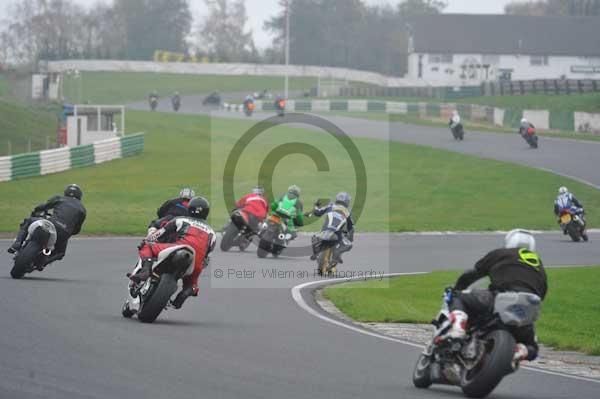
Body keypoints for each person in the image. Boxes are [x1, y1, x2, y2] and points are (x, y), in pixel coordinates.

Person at [443, 229, 547, 365]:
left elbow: (473, 274)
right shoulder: (539, 265)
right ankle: (521, 350)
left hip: (502, 298)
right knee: (533, 347)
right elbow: (542, 294)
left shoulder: (501, 253)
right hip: (526, 310)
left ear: (509, 242)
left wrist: (458, 287)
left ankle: (458, 327)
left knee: (458, 297)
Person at [129, 196, 216, 309]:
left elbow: (159, 234)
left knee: (147, 245)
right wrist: (198, 268)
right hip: (196, 261)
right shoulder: (212, 233)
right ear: (206, 213)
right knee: (193, 285)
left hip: (177, 247)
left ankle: (145, 270)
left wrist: (147, 240)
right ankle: (186, 292)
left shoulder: (181, 220)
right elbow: (207, 258)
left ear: (189, 209)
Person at [8, 184, 87, 267]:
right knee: (60, 253)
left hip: (51, 224)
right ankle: (43, 263)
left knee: (28, 221)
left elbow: (44, 206)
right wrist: (67, 231)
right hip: (64, 233)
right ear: (79, 196)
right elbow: (77, 229)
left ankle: (17, 244)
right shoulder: (82, 209)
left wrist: (35, 212)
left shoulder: (60, 198)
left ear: (66, 193)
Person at [310, 192, 355, 264]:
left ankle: (315, 253)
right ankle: (337, 254)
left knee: (314, 237)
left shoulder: (330, 206)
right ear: (347, 202)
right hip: (337, 235)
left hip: (324, 232)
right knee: (349, 245)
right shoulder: (348, 212)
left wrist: (316, 206)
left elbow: (317, 213)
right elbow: (351, 228)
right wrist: (350, 238)